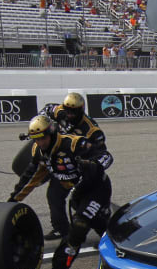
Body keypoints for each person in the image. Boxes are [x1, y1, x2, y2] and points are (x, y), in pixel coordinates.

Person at [10, 114, 112, 269]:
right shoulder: (39, 152)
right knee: (99, 225)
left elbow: (107, 156)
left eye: (42, 138)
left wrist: (92, 165)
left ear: (51, 133)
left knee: (79, 227)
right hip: (77, 192)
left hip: (96, 189)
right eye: (36, 139)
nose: (40, 143)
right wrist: (13, 199)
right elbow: (29, 178)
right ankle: (113, 232)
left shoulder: (74, 144)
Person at [37, 93, 112, 240]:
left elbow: (103, 155)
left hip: (81, 170)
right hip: (62, 165)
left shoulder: (92, 130)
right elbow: (44, 112)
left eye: (73, 112)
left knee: (81, 204)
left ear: (81, 110)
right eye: (67, 111)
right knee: (54, 195)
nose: (70, 115)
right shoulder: (60, 111)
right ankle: (61, 229)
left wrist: (91, 165)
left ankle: (106, 234)